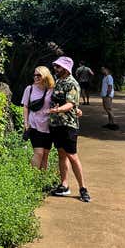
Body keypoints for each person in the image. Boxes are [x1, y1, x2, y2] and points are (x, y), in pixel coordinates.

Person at [48, 56, 91, 203]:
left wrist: (57, 110)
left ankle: (83, 188)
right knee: (61, 154)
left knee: (72, 156)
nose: (55, 69)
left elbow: (71, 104)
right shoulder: (57, 81)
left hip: (68, 125)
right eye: (55, 66)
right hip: (56, 124)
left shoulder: (72, 84)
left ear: (66, 69)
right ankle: (64, 185)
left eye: (58, 67)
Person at [21, 66, 54, 170]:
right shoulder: (29, 89)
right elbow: (25, 106)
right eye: (34, 75)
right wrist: (26, 123)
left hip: (48, 125)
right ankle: (33, 176)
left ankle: (42, 178)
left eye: (38, 75)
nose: (36, 77)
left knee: (46, 154)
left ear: (45, 76)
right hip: (34, 124)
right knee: (39, 153)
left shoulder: (51, 90)